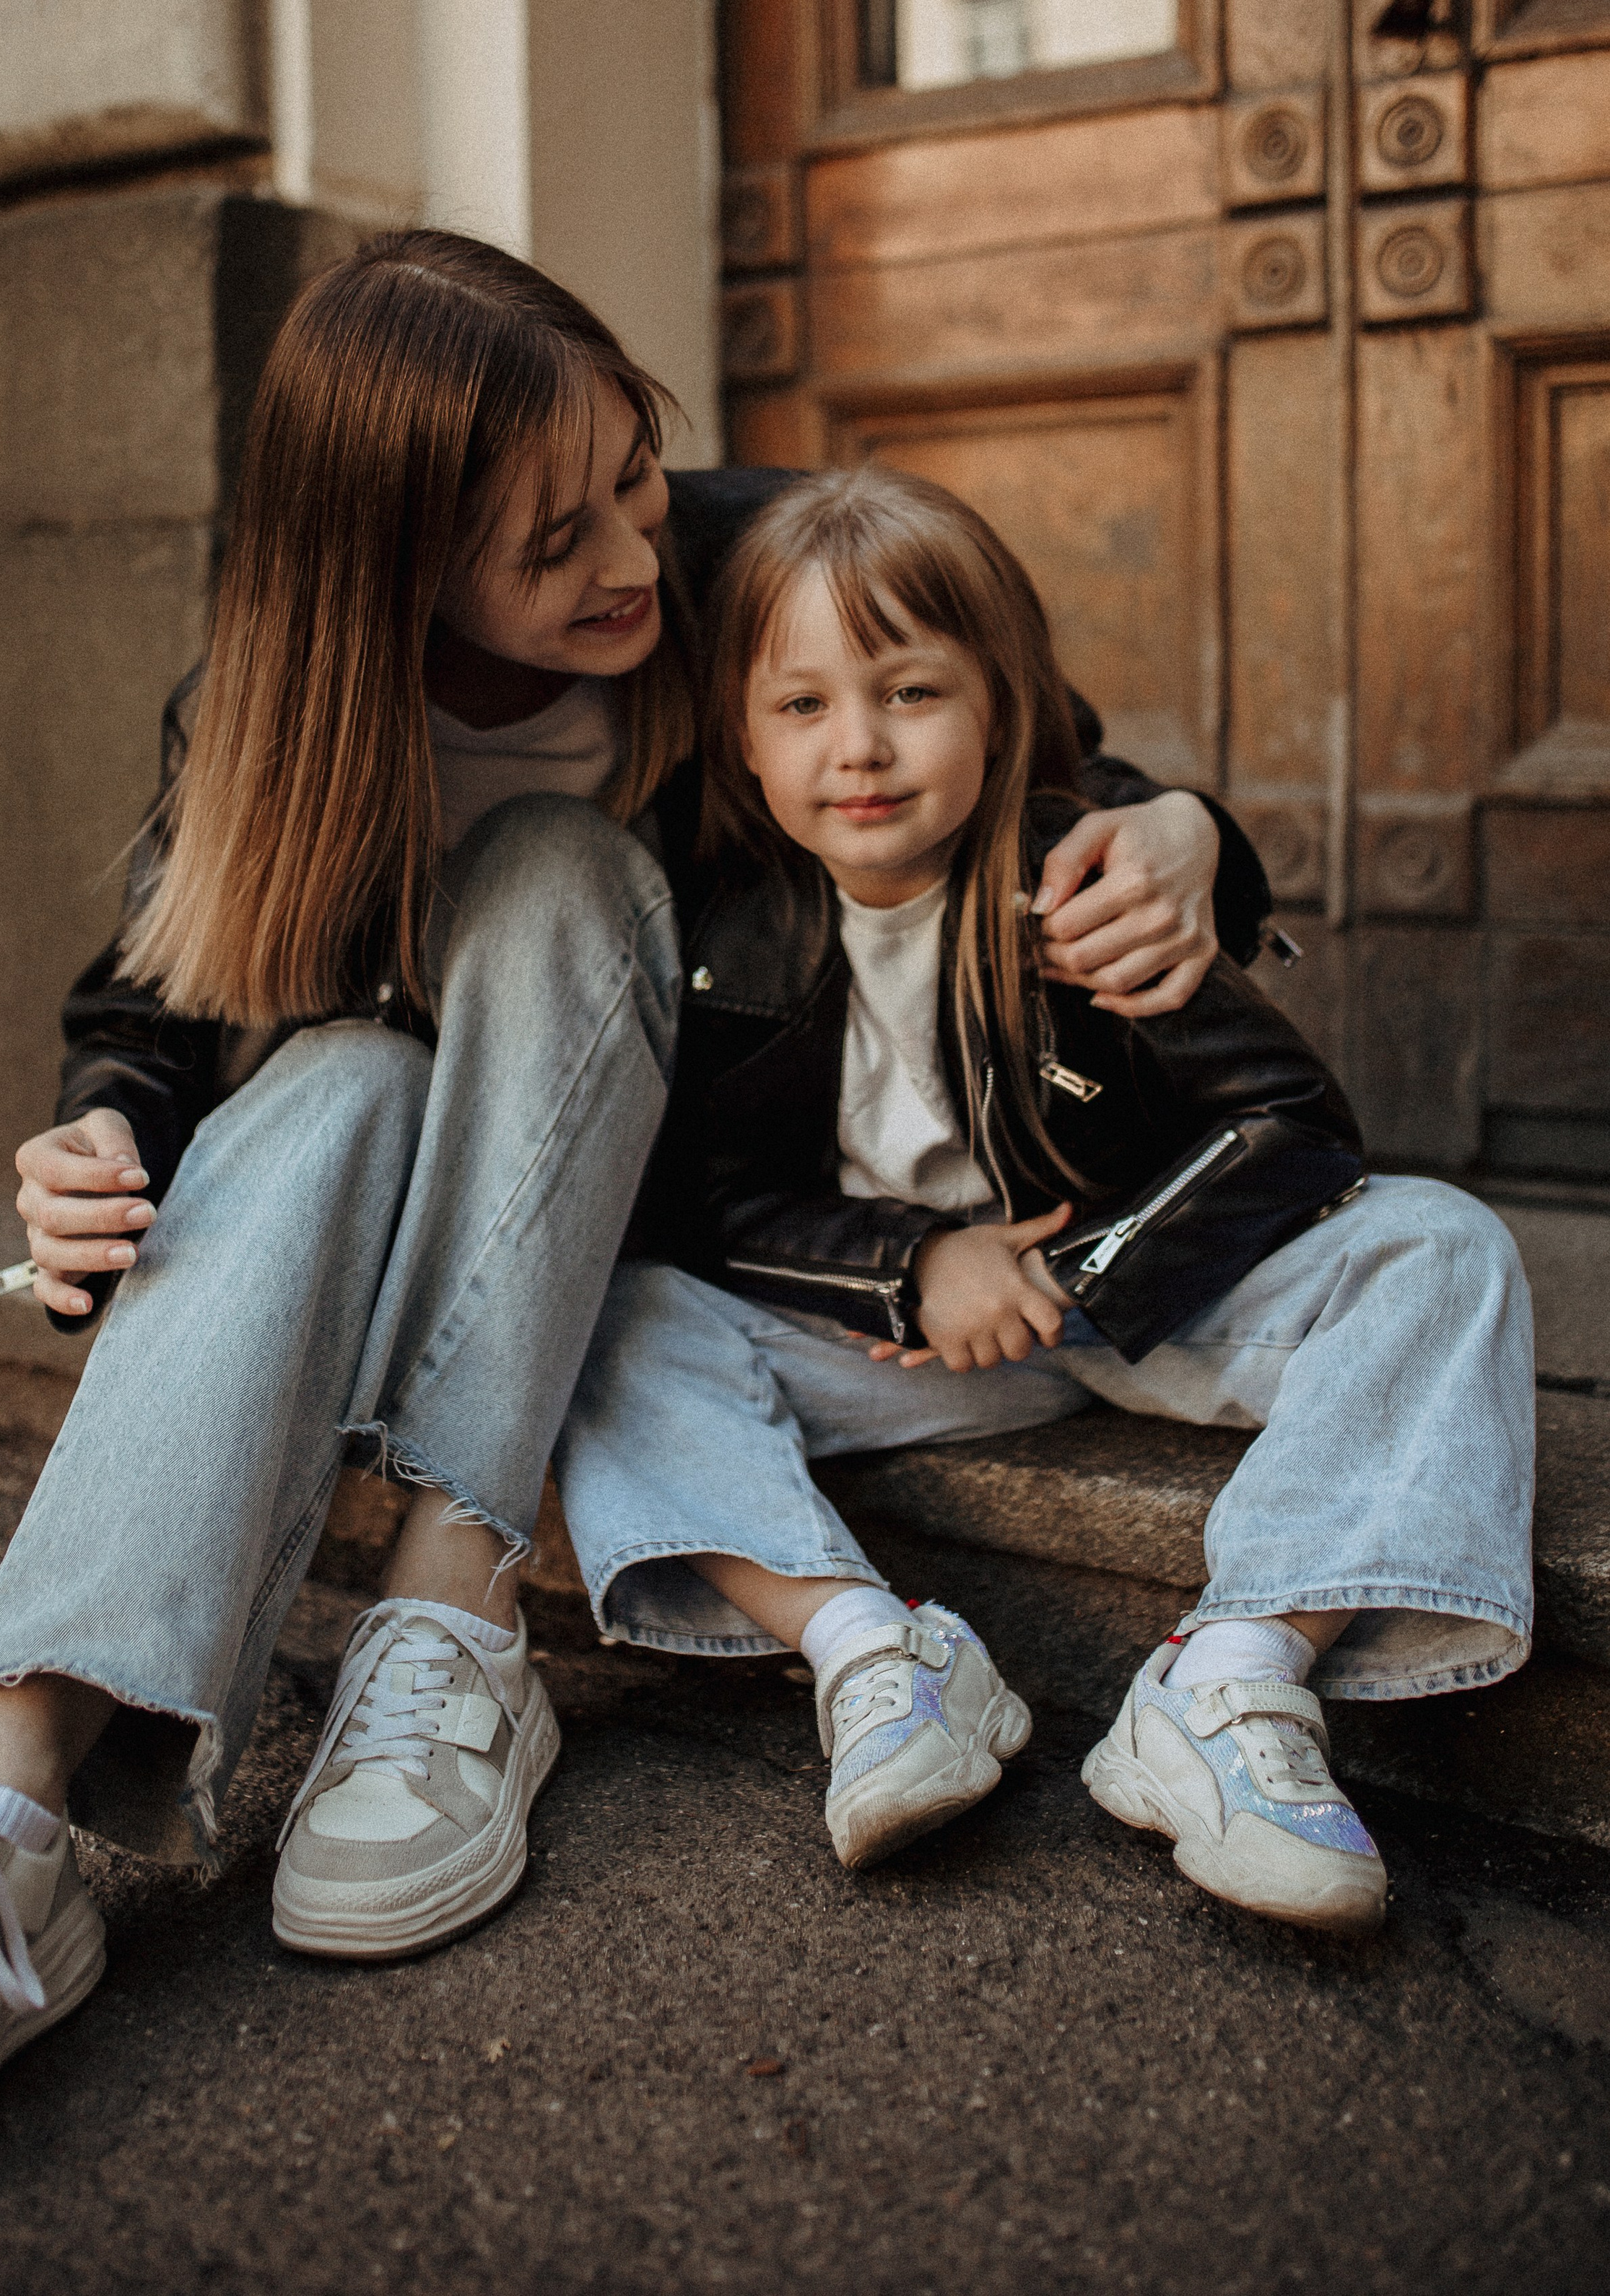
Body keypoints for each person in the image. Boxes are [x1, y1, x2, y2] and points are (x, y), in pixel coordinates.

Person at [0, 236, 1263, 2247]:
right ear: (397, 572)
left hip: (641, 1238)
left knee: (553, 870)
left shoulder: (742, 564)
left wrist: (1192, 839)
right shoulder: (268, 706)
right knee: (340, 1083)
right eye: (553, 539)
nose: (637, 554)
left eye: (633, 471)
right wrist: (101, 1142)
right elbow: (152, 1010)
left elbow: (1029, 764)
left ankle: (447, 1610)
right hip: (378, 1216)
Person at [553, 464, 1535, 1932]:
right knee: (606, 1314)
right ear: (738, 737)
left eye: (909, 691)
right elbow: (706, 1197)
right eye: (802, 705)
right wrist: (907, 1268)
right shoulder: (722, 928)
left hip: (1137, 1306)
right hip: (907, 1349)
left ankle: (1225, 1683)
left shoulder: (1079, 879)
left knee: (1439, 1244)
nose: (860, 748)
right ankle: (874, 1657)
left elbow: (1291, 1122)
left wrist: (1093, 1270)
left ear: (1002, 701)